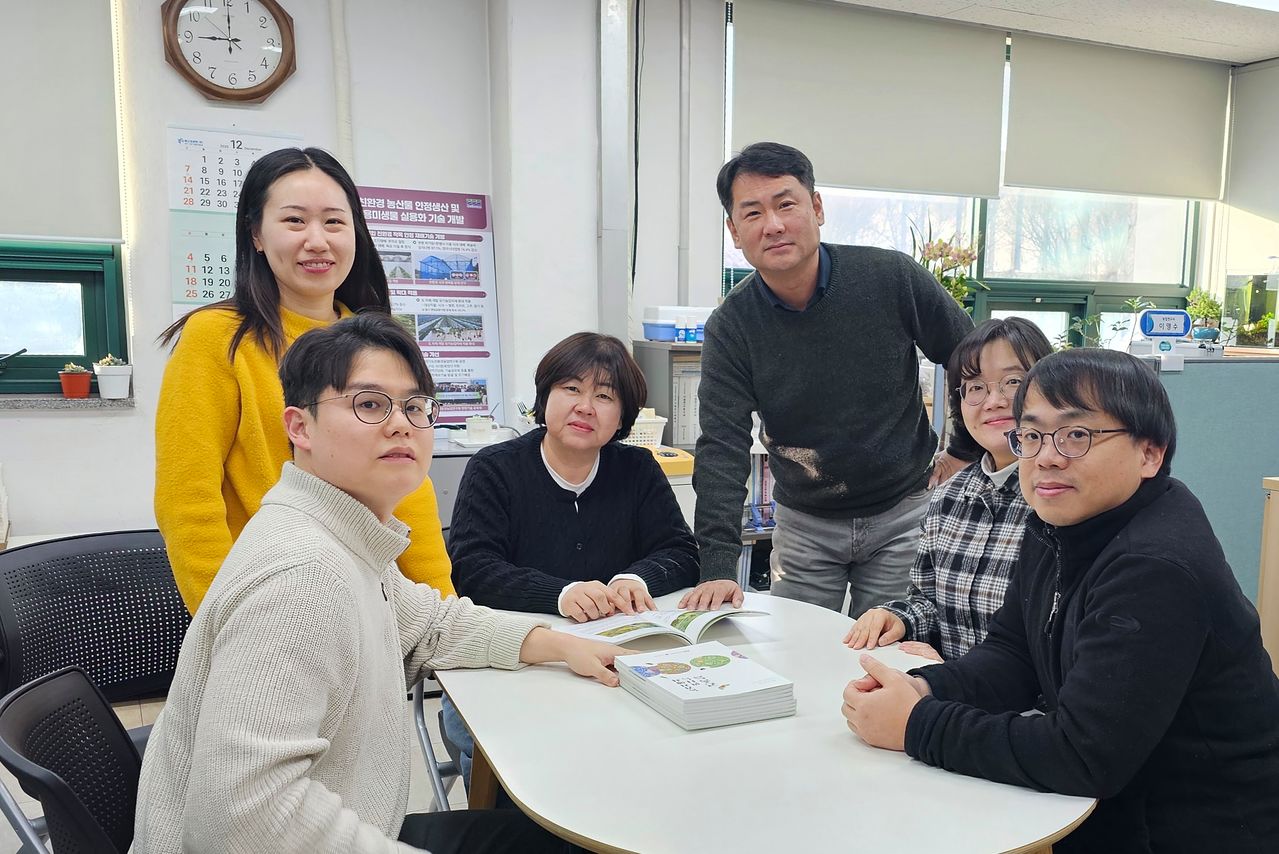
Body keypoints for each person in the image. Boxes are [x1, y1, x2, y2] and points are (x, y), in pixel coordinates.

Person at [134, 313, 618, 853]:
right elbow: (242, 819)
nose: (401, 425)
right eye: (369, 405)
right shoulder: (303, 577)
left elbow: (431, 625)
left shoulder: (345, 532)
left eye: (414, 407)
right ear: (299, 427)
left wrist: (556, 644)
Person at [841, 348, 1279, 853]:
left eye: (1077, 435)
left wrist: (917, 725)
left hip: (1197, 829)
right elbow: (1015, 653)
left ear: (1149, 453)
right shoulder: (1059, 520)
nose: (1046, 455)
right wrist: (922, 690)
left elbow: (1083, 755)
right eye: (1031, 435)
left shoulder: (1155, 565)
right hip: (1110, 815)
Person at [682, 141, 976, 615]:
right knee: (796, 653)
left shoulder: (890, 278)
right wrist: (717, 564)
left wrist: (965, 450)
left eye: (786, 204)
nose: (773, 225)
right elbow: (722, 444)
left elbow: (971, 359)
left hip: (902, 512)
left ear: (816, 208)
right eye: (753, 213)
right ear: (735, 232)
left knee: (887, 656)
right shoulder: (733, 325)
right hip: (804, 525)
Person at [155, 147, 453, 614]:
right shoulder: (218, 337)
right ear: (255, 233)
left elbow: (409, 487)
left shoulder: (375, 338)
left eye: (335, 222)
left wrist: (444, 612)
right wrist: (225, 618)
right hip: (271, 602)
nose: (317, 240)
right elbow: (187, 498)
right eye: (294, 221)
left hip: (375, 606)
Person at [446, 331, 700, 781]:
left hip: (611, 666)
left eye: (604, 396)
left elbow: (679, 550)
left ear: (622, 417)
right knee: (520, 775)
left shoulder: (637, 469)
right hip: (514, 664)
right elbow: (473, 571)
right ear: (545, 398)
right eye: (571, 389)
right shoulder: (494, 469)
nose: (585, 406)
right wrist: (561, 594)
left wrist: (635, 580)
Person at [844, 317, 1052, 661]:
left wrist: (958, 675)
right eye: (975, 387)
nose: (993, 401)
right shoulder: (948, 497)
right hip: (946, 696)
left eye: (1014, 382)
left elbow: (1055, 640)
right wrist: (899, 618)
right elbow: (928, 601)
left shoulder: (1061, 499)